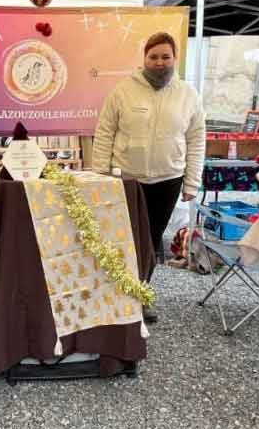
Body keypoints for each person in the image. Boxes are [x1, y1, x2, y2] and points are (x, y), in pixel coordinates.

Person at [92, 32, 206, 324]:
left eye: (165, 56)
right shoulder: (123, 91)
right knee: (124, 240)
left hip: (168, 180)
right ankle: (116, 295)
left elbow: (196, 139)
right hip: (128, 179)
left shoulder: (188, 94)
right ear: (144, 58)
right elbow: (105, 132)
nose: (159, 62)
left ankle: (139, 296)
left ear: (175, 59)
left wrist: (192, 182)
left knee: (151, 240)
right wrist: (99, 174)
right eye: (153, 56)